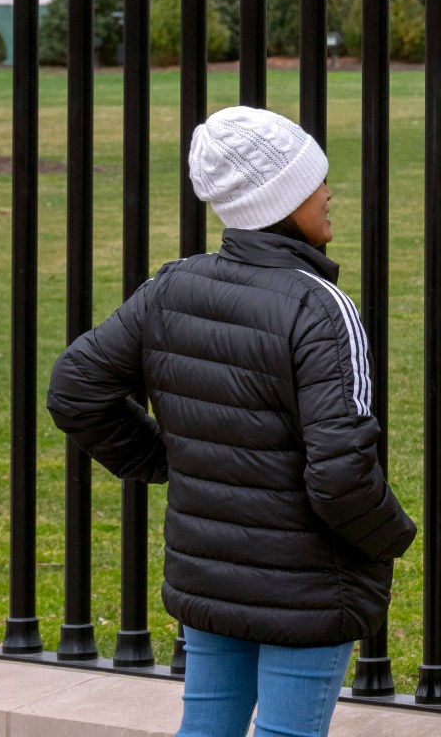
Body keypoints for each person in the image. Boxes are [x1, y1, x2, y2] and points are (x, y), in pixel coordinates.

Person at [48, 106, 412, 737]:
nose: (328, 194)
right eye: (312, 183)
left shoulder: (172, 288)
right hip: (310, 586)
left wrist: (169, 458)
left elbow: (75, 387)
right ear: (279, 201)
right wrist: (391, 539)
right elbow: (342, 474)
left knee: (207, 728)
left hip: (209, 573)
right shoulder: (321, 310)